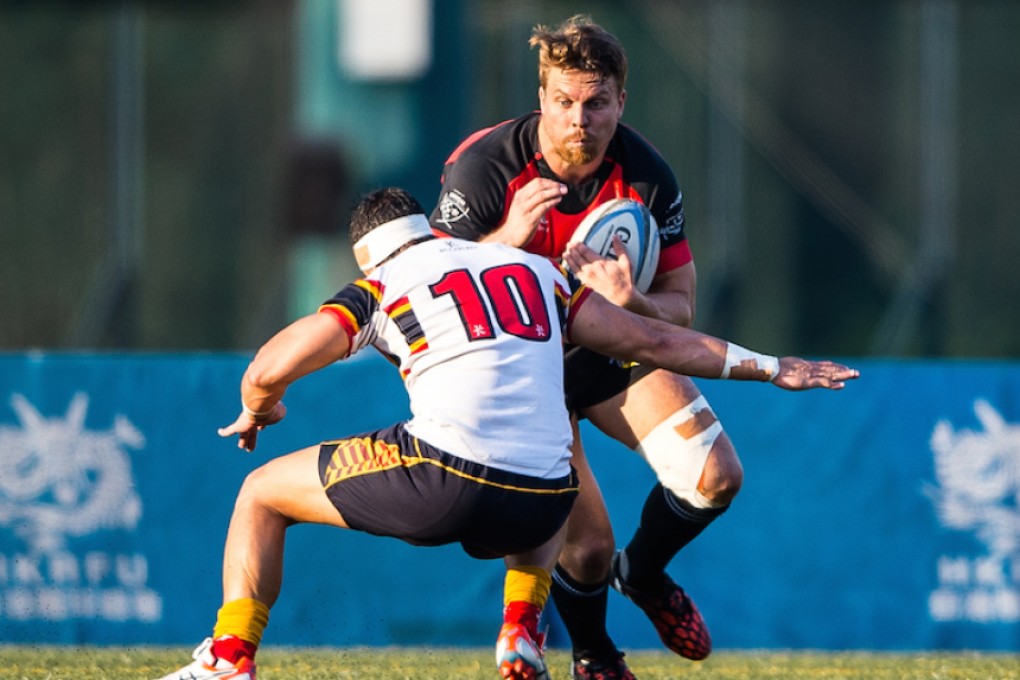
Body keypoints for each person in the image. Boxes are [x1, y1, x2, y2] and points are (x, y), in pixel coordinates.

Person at [158, 188, 857, 680]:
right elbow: (653, 338)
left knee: (259, 495)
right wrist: (775, 367)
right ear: (429, 229)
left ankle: (229, 658)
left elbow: (270, 365)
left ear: (367, 256)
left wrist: (259, 406)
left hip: (444, 479)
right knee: (543, 460)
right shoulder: (535, 271)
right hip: (545, 503)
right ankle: (522, 630)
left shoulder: (382, 282)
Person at [429, 14, 798, 680]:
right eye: (565, 102)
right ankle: (595, 657)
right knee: (588, 545)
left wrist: (632, 301)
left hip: (606, 350)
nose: (580, 119)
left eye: (596, 103)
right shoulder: (486, 167)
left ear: (620, 102)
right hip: (518, 368)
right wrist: (506, 240)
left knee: (716, 477)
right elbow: (429, 283)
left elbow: (679, 307)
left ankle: (648, 574)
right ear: (541, 97)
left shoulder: (646, 175)